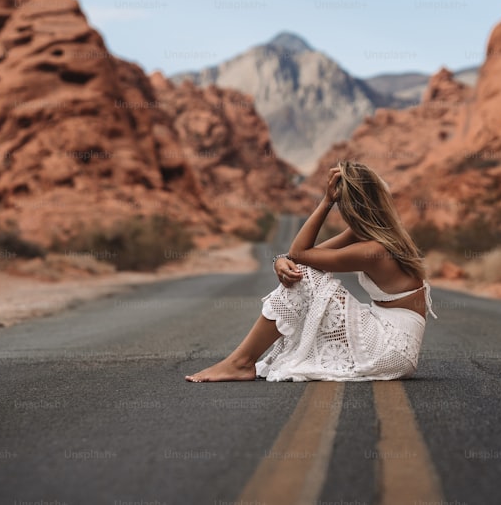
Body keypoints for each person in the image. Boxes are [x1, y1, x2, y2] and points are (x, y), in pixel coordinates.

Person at [185, 160, 437, 382]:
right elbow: (305, 257)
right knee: (303, 272)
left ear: (349, 207)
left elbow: (300, 254)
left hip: (390, 348)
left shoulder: (374, 250)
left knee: (303, 278)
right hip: (396, 346)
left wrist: (326, 201)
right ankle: (240, 361)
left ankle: (240, 362)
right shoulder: (379, 236)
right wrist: (279, 261)